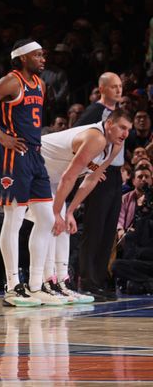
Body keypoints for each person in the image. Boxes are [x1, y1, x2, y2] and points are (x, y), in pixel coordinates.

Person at [0, 39, 58, 306]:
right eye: (38, 55)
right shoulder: (11, 81)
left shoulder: (40, 85)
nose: (43, 59)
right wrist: (2, 137)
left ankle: (36, 285)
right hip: (13, 154)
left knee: (46, 219)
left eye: (43, 54)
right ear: (22, 58)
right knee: (14, 217)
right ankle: (12, 285)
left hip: (34, 153)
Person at [40, 109, 132, 303]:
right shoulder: (96, 138)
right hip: (35, 165)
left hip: (53, 175)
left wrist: (71, 210)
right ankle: (40, 283)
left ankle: (60, 282)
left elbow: (91, 179)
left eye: (128, 129)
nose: (126, 134)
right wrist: (58, 211)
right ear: (109, 123)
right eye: (122, 127)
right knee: (49, 221)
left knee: (62, 227)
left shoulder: (114, 146)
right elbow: (69, 176)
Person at [72, 72, 125, 300]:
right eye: (113, 86)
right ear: (102, 88)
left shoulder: (119, 113)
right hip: (99, 173)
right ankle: (88, 282)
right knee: (94, 227)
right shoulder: (94, 112)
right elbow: (73, 140)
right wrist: (93, 167)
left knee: (108, 229)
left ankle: (100, 280)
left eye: (120, 86)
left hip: (115, 174)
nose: (118, 90)